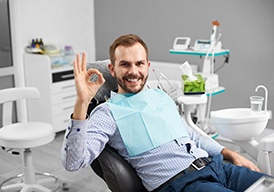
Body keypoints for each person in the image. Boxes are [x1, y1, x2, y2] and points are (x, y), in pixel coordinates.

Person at [61, 34, 267, 192]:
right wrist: (82, 102)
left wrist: (229, 153)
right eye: (124, 64)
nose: (133, 71)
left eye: (139, 63)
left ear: (148, 67)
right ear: (112, 70)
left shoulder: (160, 96)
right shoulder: (107, 113)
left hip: (218, 168)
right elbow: (73, 163)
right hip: (181, 184)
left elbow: (192, 135)